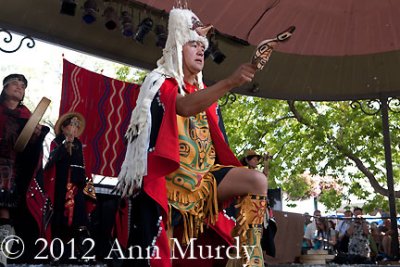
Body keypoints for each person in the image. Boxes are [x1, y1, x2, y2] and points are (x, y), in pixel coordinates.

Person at [115, 6, 270, 267]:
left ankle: (250, 261)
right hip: (166, 180)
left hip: (203, 182)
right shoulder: (159, 81)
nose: (201, 50)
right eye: (193, 44)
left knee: (256, 180)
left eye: (202, 46)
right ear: (177, 46)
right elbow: (184, 106)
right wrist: (230, 82)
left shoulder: (206, 93)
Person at [0, 73, 50, 264]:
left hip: (13, 171)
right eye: (15, 84)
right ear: (5, 88)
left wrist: (36, 134)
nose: (19, 87)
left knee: (5, 210)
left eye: (23, 86)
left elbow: (29, 149)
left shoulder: (27, 115)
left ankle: (2, 256)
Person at [43, 112, 96, 262]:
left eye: (76, 126)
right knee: (60, 217)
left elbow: (85, 167)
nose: (74, 128)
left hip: (77, 187)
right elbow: (51, 161)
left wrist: (88, 189)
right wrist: (65, 144)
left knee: (80, 217)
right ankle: (57, 253)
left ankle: (81, 252)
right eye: (71, 125)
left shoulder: (79, 144)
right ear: (64, 128)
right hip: (60, 187)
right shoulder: (56, 142)